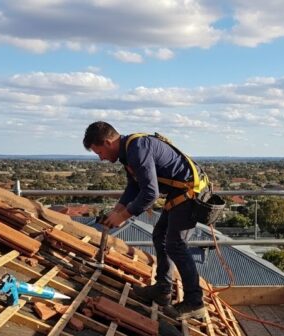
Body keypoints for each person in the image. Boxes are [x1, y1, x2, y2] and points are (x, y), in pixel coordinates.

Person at [83, 121, 208, 319]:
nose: (101, 159)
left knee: (175, 245)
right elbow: (134, 186)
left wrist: (123, 216)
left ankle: (195, 302)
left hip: (191, 193)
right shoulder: (128, 151)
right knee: (161, 236)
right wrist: (118, 209)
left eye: (99, 153)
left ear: (108, 142)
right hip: (180, 193)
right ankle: (162, 289)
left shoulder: (137, 149)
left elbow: (150, 193)